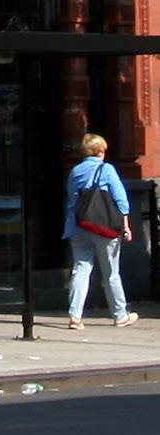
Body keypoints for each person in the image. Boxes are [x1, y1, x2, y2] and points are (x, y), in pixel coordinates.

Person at [64, 131, 138, 330]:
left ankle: (75, 316)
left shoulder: (75, 171)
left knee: (80, 269)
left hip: (78, 226)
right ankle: (120, 314)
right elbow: (121, 199)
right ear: (99, 151)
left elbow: (72, 199)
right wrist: (126, 225)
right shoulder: (107, 170)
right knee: (111, 273)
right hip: (104, 228)